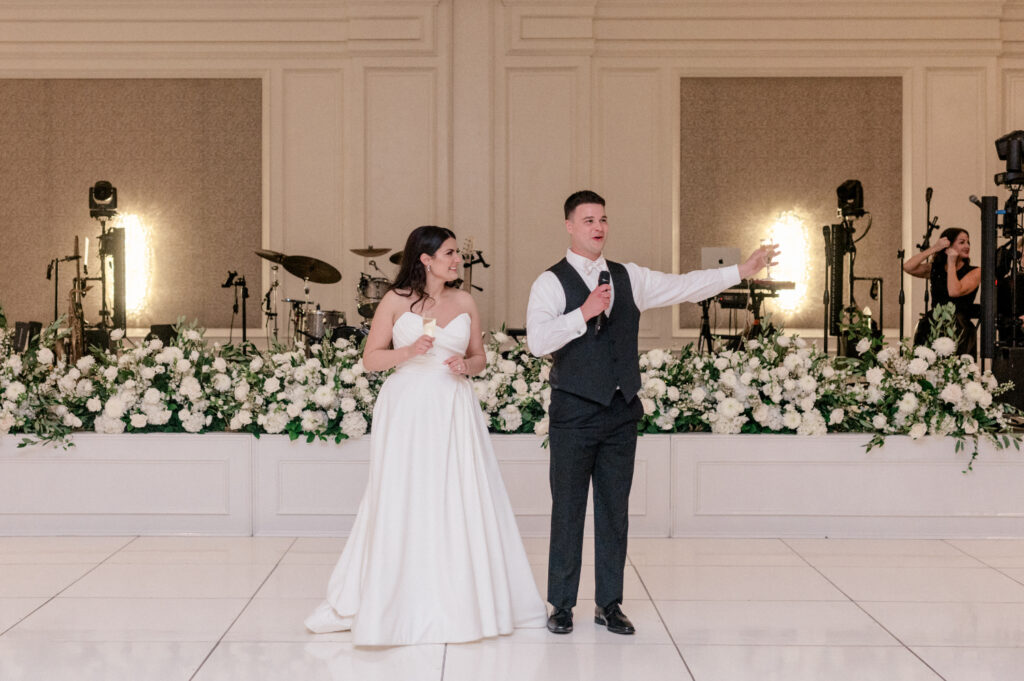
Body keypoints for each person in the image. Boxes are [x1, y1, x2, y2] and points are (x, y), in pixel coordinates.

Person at [526, 190, 774, 635]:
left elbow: (684, 285)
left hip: (621, 411)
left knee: (614, 511)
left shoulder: (629, 276)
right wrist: (582, 313)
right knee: (567, 510)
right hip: (573, 413)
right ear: (569, 226)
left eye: (603, 219)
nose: (598, 227)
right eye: (588, 220)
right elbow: (537, 342)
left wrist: (742, 270)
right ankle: (561, 605)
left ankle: (609, 604)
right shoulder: (549, 283)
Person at [305, 225, 547, 645]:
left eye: (458, 254)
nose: (458, 260)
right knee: (406, 492)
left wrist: (465, 367)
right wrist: (408, 352)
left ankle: (461, 595)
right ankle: (394, 596)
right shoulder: (395, 301)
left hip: (453, 406)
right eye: (451, 253)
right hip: (409, 406)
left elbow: (478, 357)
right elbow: (370, 360)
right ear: (425, 258)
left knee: (457, 491)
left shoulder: (465, 301)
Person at [903, 227, 980, 356]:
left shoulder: (975, 271)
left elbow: (954, 291)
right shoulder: (936, 268)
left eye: (968, 242)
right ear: (948, 246)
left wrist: (951, 263)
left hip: (959, 328)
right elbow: (908, 267)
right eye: (962, 242)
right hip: (933, 324)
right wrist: (934, 248)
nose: (967, 246)